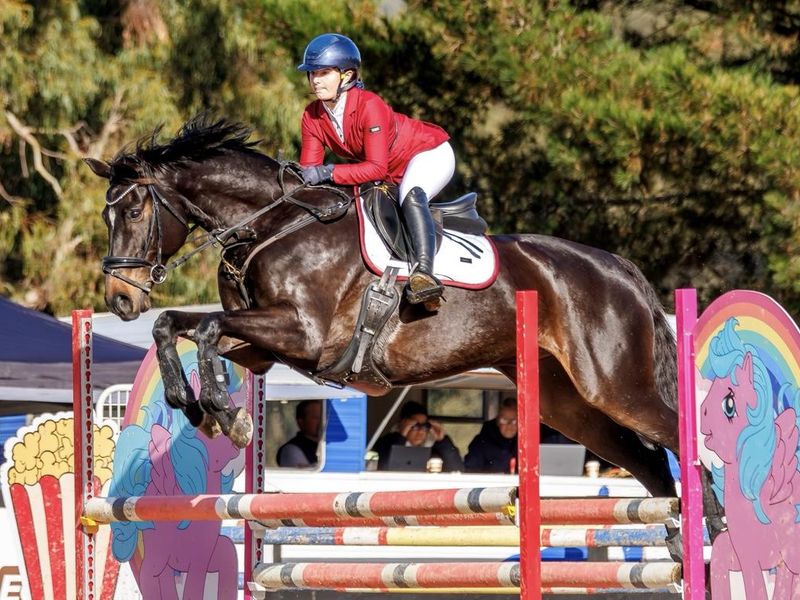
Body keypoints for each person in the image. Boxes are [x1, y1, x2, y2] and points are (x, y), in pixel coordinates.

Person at [297, 33, 455, 308]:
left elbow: (375, 168)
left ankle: (425, 275)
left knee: (410, 194)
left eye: (323, 72)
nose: (315, 80)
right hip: (389, 170)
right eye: (312, 73)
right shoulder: (312, 115)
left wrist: (329, 173)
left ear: (346, 76)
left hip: (427, 153)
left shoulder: (371, 106)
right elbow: (310, 172)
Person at [373, 401, 463, 471]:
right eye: (415, 426)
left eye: (425, 427)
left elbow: (457, 470)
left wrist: (442, 441)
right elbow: (384, 466)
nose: (420, 431)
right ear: (404, 424)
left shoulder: (435, 448)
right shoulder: (387, 442)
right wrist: (401, 436)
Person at [464, 397, 518, 473]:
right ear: (497, 421)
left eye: (514, 421)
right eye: (504, 420)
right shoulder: (480, 444)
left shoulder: (527, 444)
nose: (509, 426)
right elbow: (470, 473)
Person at [276, 399, 322, 468]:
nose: (321, 422)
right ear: (301, 421)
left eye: (322, 417)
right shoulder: (291, 450)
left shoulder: (325, 446)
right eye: (315, 418)